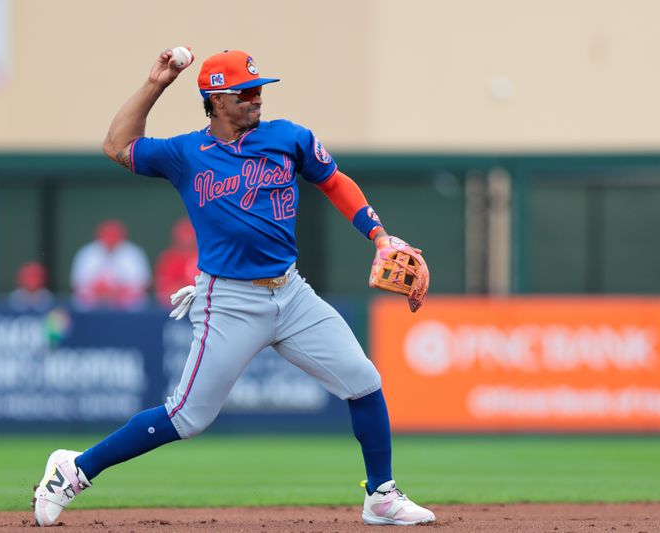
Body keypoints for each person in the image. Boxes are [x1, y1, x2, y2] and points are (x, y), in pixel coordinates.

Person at [32, 49, 435, 527]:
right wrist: (155, 83)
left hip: (291, 292)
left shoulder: (287, 137)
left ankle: (381, 495)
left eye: (259, 88)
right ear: (215, 99)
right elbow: (116, 144)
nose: (256, 97)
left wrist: (379, 235)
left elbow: (333, 181)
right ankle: (73, 470)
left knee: (364, 381)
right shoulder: (184, 154)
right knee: (186, 417)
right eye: (244, 91)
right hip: (229, 301)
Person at [70, 219, 152, 310]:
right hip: (95, 299)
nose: (110, 238)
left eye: (113, 235)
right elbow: (78, 284)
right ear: (99, 235)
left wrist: (117, 291)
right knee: (81, 298)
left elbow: (142, 284)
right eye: (107, 235)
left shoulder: (133, 253)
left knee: (138, 299)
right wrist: (100, 290)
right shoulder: (87, 253)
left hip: (123, 299)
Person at [154, 217, 198, 305]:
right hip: (172, 306)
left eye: (189, 235)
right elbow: (163, 290)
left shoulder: (203, 257)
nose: (186, 239)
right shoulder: (168, 258)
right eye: (183, 235)